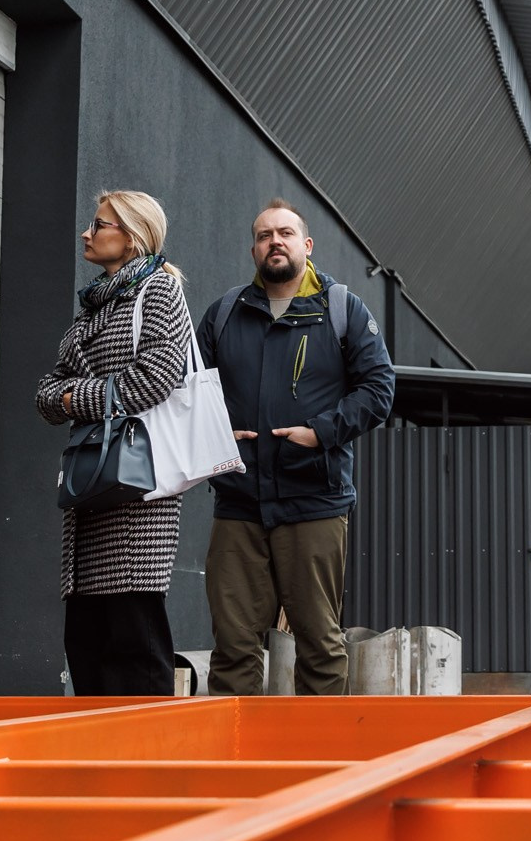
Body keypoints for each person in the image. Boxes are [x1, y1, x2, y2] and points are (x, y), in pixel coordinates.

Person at [197, 200, 395, 696]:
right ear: (253, 249)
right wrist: (217, 440)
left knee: (318, 643)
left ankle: (320, 762)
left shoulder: (342, 309)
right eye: (264, 235)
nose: (274, 242)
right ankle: (237, 766)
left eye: (285, 233)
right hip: (238, 502)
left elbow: (378, 389)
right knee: (233, 646)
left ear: (306, 245)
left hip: (313, 500)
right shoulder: (224, 314)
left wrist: (321, 431)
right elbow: (189, 396)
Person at [35, 191, 195, 696]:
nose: (87, 232)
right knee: (86, 644)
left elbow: (153, 379)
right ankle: (96, 766)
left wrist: (70, 397)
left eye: (99, 224)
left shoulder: (159, 294)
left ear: (131, 237)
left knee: (134, 642)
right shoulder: (93, 306)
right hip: (92, 487)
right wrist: (68, 395)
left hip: (136, 493)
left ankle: (149, 766)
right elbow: (44, 393)